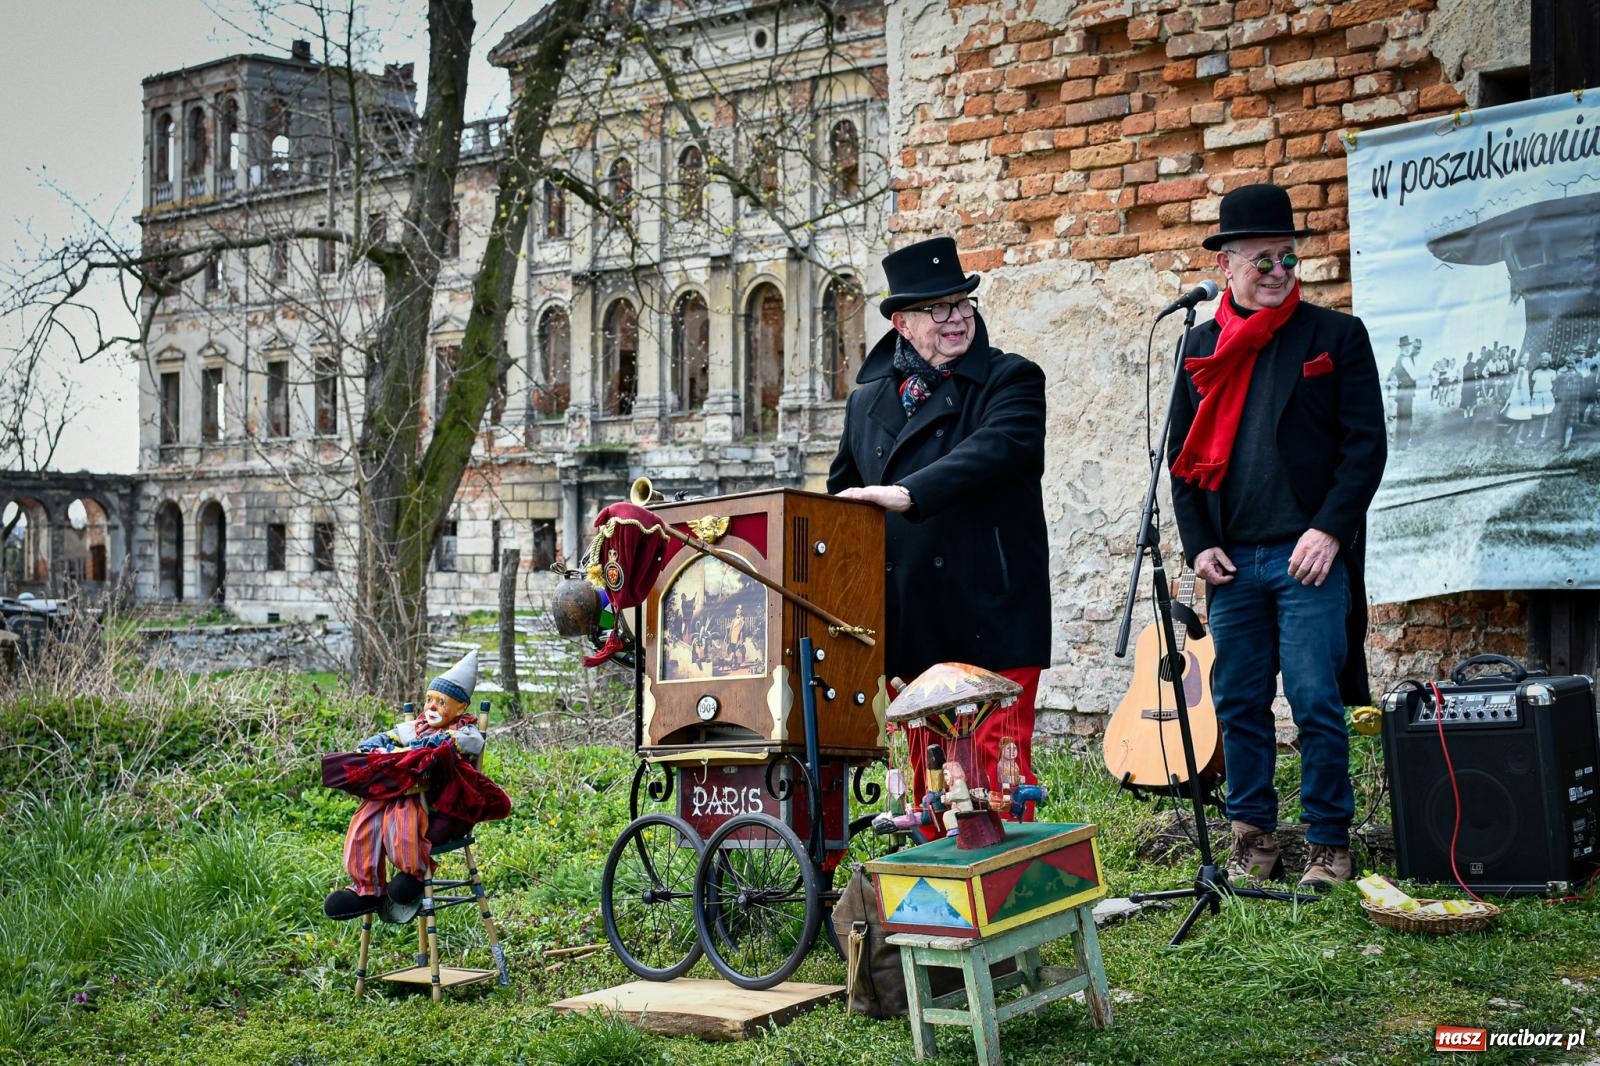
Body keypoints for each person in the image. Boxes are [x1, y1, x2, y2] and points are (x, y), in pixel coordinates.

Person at [1166, 183, 1387, 891]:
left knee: (1318, 699)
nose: (1276, 270)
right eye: (1260, 258)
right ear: (1225, 265)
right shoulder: (1199, 347)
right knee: (1238, 700)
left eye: (1286, 257)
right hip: (1233, 561)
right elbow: (1181, 460)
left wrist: (1329, 530)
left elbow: (1365, 449)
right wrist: (1198, 545)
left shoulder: (1334, 338)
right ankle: (1252, 836)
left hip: (1307, 556)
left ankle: (1328, 844)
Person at [829, 235, 1050, 829]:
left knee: (993, 784)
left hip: (989, 612)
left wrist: (907, 493)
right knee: (929, 787)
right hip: (911, 618)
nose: (956, 320)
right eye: (938, 310)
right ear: (902, 322)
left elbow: (995, 451)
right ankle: (939, 916)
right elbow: (841, 500)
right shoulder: (866, 402)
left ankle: (1008, 908)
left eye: (962, 305)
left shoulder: (1012, 380)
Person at [323, 649, 508, 920]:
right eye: (429, 700)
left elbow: (473, 742)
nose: (432, 707)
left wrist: (441, 743)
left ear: (460, 708)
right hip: (400, 790)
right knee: (366, 817)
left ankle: (412, 873)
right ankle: (366, 887)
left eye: (441, 702)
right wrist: (374, 746)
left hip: (435, 802)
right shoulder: (417, 728)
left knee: (400, 818)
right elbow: (392, 736)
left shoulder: (463, 729)